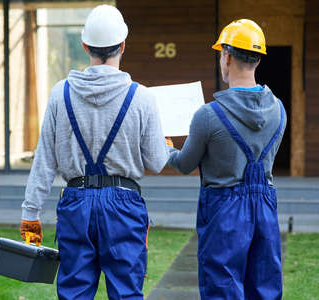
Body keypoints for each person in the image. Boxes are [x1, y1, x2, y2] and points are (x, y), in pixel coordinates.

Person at [19, 5, 168, 299]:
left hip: (76, 203)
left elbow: (45, 159)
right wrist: (165, 147)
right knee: (126, 293)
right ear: (123, 45)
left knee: (74, 292)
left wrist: (31, 213)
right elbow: (157, 161)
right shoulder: (143, 97)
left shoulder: (60, 93)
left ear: (85, 45)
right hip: (124, 206)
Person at [166, 19, 286, 299]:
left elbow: (184, 164)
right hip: (266, 211)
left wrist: (167, 149)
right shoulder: (279, 109)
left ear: (227, 56)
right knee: (265, 287)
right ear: (257, 58)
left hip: (224, 213)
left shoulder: (208, 115)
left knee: (222, 288)